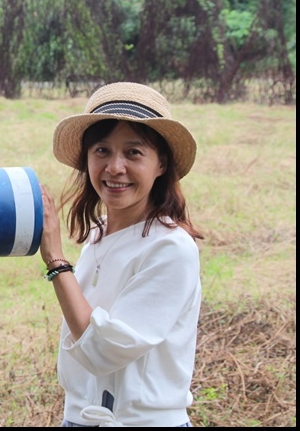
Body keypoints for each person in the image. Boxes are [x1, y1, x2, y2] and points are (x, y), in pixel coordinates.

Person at [38, 82, 204, 427]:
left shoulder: (171, 249)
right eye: (102, 150)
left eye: (134, 153)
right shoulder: (99, 232)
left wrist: (56, 261)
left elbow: (102, 350)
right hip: (80, 418)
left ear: (161, 165)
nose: (114, 167)